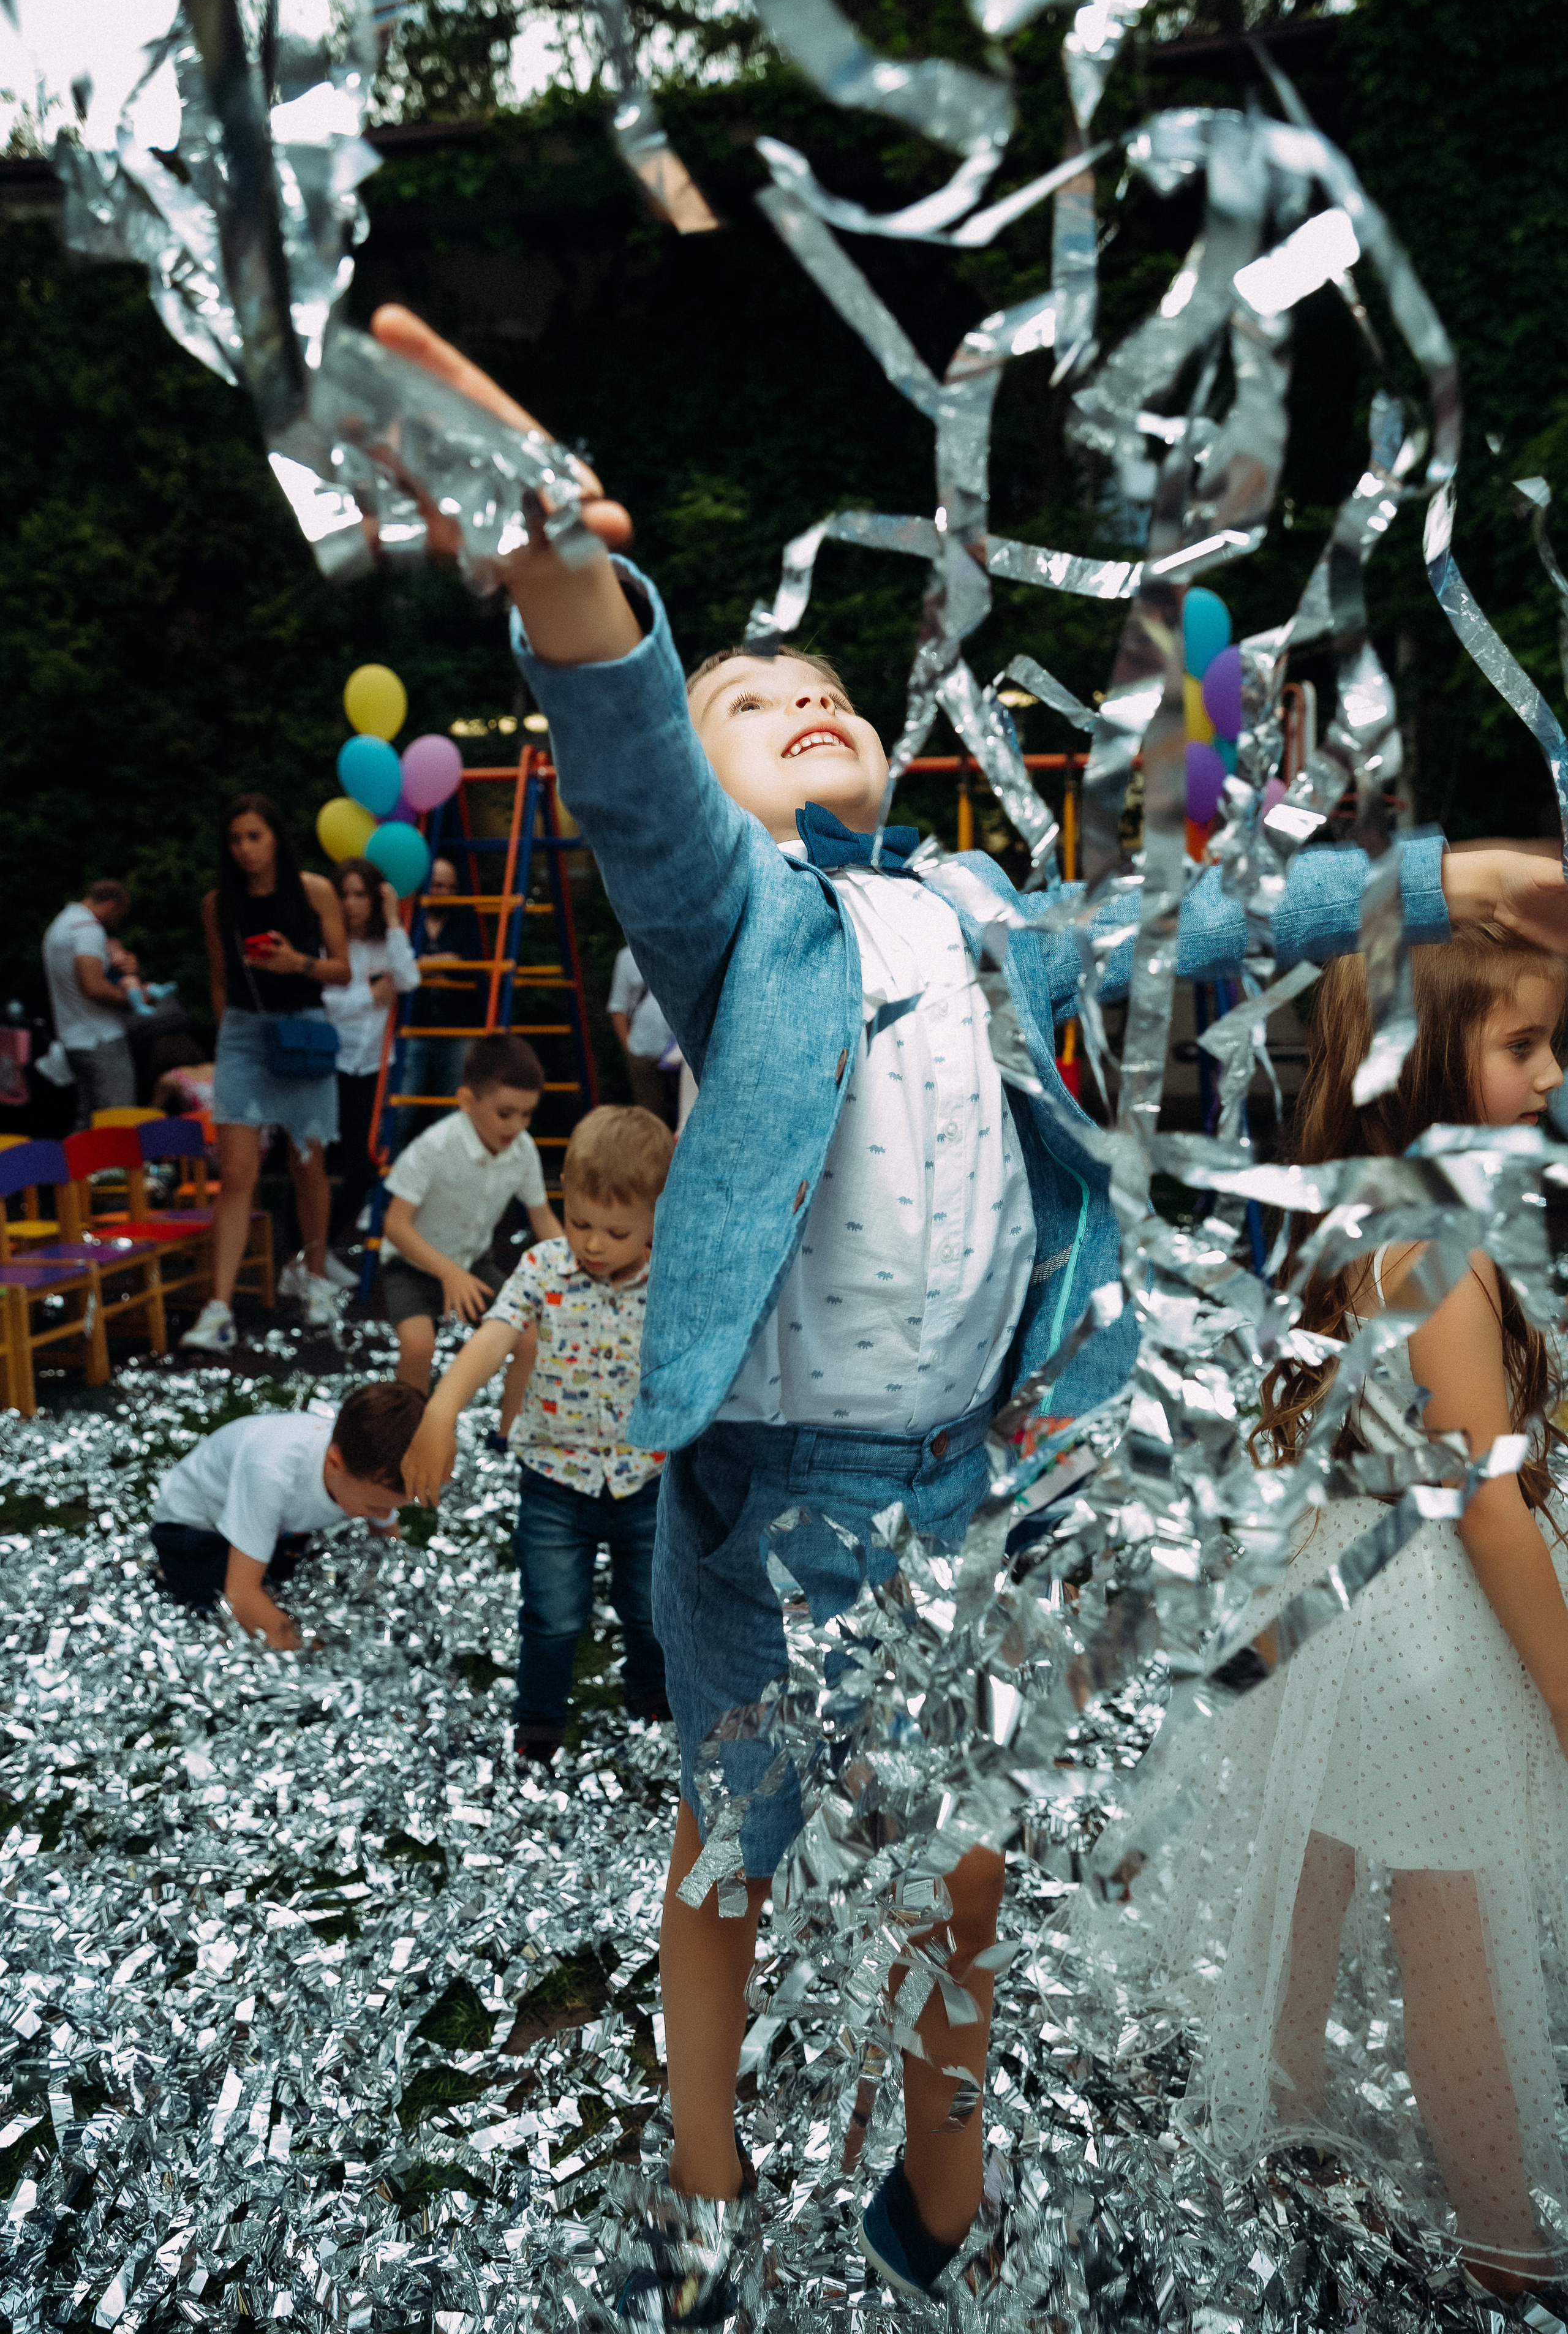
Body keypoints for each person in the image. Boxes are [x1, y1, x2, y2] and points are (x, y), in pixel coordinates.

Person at [373, 303, 1568, 2310]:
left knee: (970, 1863)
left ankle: (935, 2184)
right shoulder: (734, 920)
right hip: (758, 1501)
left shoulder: (988, 911)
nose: (810, 704)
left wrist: (1439, 883)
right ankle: (704, 2172)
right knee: (730, 1847)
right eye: (760, 707)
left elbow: (1207, 918)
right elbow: (634, 766)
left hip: (960, 1487)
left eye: (829, 684)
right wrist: (567, 571)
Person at [1096, 926, 1568, 2300]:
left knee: (1310, 1868)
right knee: (1455, 1930)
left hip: (1338, 1599)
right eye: (1520, 1047)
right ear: (1421, 1072)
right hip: (1421, 1630)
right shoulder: (1434, 1247)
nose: (1550, 1072)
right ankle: (1502, 2239)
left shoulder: (1377, 1217)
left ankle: (1276, 2112)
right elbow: (1484, 1502)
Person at [404, 1104, 674, 1758]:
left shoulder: (673, 1277)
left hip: (646, 1481)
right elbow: (495, 1337)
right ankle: (539, 1724)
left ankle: (653, 1698)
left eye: (615, 1230)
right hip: (555, 1482)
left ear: (658, 1220)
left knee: (650, 1613)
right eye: (579, 1221)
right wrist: (440, 1411)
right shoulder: (544, 1268)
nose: (593, 1244)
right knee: (551, 1617)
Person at [180, 792, 351, 1353]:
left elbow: (343, 969)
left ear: (276, 836)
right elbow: (219, 978)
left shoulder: (314, 891)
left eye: (255, 836)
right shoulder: (219, 905)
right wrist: (228, 1033)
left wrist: (294, 963)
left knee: (308, 1164)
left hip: (302, 1027)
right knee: (236, 1174)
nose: (246, 848)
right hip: (245, 1035)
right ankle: (220, 1307)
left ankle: (317, 1278)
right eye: (236, 839)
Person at [150, 1380, 423, 1650]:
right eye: (374, 1507)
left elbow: (389, 1545)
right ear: (334, 1463)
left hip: (277, 1523)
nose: (385, 1516)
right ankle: (171, 1569)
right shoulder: (271, 1473)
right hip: (193, 1529)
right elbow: (240, 1594)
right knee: (221, 1607)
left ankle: (269, 1554)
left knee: (325, 1578)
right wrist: (310, 1649)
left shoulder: (365, 1460)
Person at [380, 1031, 558, 1417]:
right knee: (418, 1345)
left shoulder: (523, 1150)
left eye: (527, 1114)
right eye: (505, 1113)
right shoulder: (435, 1146)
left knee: (528, 1337)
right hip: (412, 1266)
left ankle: (510, 1432)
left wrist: (576, 1270)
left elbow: (543, 1219)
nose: (516, 1126)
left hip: (473, 1264)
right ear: (466, 1101)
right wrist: (447, 1273)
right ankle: (409, 1430)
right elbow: (395, 1226)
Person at [321, 857, 421, 1249]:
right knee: (315, 1166)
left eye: (360, 894)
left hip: (372, 1068)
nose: (351, 903)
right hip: (330, 1065)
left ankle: (317, 1248)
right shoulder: (327, 941)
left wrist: (394, 920)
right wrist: (371, 997)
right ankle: (309, 1253)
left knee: (363, 1169)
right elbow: (323, 1003)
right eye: (343, 894)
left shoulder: (387, 943)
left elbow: (410, 980)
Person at [395, 851, 486, 1150]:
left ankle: (443, 1189)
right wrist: (443, 963)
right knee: (399, 1111)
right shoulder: (407, 920)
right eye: (436, 885)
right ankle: (383, 1189)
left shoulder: (467, 919)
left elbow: (474, 973)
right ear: (423, 886)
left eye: (449, 886)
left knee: (452, 1114)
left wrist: (419, 967)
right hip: (413, 1028)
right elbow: (396, 969)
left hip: (458, 1030)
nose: (443, 892)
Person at [40, 878, 135, 1127]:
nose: (117, 923)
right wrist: (134, 999)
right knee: (118, 1122)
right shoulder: (88, 929)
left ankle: (70, 1167)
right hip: (101, 1039)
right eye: (119, 915)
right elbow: (93, 987)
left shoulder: (61, 925)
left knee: (87, 1123)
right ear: (111, 906)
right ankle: (115, 1167)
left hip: (73, 1039)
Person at [608, 943, 679, 1127]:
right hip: (643, 1052)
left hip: (683, 1053)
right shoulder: (626, 956)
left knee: (689, 1119)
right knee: (650, 1123)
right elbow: (618, 1008)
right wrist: (630, 1048)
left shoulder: (686, 946)